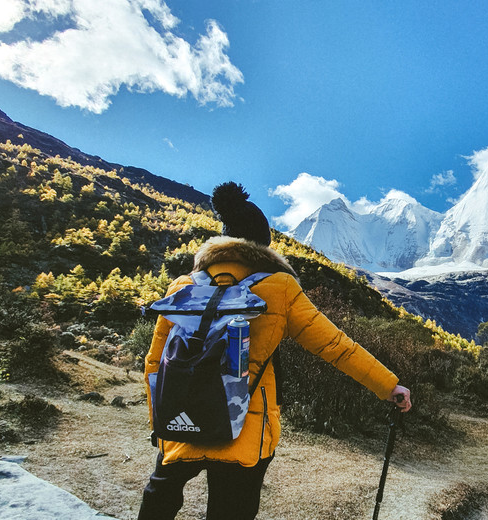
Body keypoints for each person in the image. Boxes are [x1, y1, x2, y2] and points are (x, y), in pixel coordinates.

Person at [138, 182, 412, 520]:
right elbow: (335, 346)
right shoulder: (279, 287)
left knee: (160, 498)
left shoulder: (183, 288)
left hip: (181, 418)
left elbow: (154, 362)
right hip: (243, 427)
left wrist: (160, 422)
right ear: (263, 245)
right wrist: (388, 385)